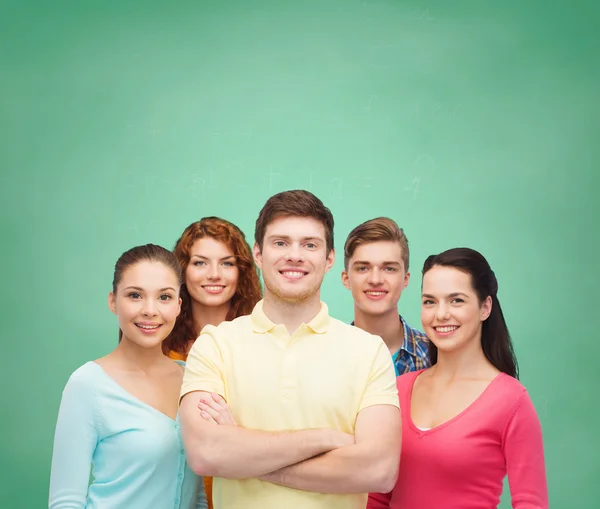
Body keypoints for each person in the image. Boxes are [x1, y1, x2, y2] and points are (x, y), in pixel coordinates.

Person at [179, 190, 401, 509]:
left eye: (309, 244)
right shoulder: (215, 344)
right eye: (280, 243)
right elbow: (205, 454)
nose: (294, 255)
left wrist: (244, 454)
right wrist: (322, 440)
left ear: (328, 259)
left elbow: (379, 470)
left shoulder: (368, 350)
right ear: (258, 253)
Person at [367, 248, 548, 509]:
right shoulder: (398, 388)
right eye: (430, 301)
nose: (441, 314)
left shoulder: (511, 401)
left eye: (456, 300)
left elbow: (531, 503)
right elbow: (377, 497)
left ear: (485, 307)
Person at [49, 244, 207, 509]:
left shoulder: (191, 379)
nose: (150, 310)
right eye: (135, 295)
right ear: (113, 301)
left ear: (179, 305)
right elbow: (66, 501)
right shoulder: (88, 385)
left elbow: (198, 494)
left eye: (164, 297)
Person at [163, 216, 262, 509]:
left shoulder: (262, 342)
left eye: (227, 263)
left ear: (241, 272)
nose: (214, 274)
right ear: (182, 271)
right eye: (200, 262)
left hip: (246, 496)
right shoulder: (161, 348)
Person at [342, 217, 429, 375]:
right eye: (363, 268)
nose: (375, 280)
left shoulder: (435, 355)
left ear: (405, 279)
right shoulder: (327, 354)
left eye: (389, 268)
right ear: (346, 279)